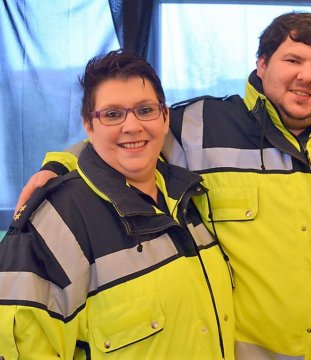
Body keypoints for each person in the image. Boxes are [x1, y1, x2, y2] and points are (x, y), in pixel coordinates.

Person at [13, 12, 311, 359]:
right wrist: (59, 165)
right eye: (293, 60)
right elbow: (130, 134)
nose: (306, 76)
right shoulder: (202, 126)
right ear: (262, 65)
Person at [0, 50, 235, 359]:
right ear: (88, 124)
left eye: (145, 110)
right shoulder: (55, 222)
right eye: (112, 114)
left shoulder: (191, 200)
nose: (132, 126)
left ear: (164, 118)